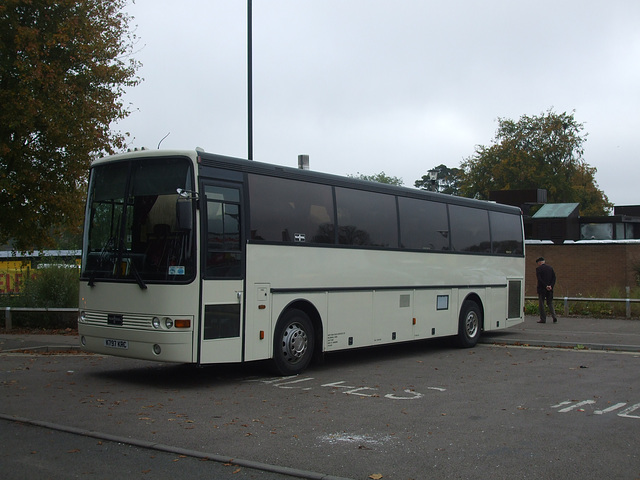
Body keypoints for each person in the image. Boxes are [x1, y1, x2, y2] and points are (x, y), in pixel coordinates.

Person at [535, 257, 558, 324]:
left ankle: (543, 319)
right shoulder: (550, 268)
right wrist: (551, 286)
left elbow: (539, 279)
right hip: (550, 289)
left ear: (539, 263)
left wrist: (545, 286)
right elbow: (554, 278)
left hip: (542, 289)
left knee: (541, 304)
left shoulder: (538, 269)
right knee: (550, 303)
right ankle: (554, 316)